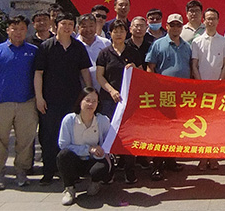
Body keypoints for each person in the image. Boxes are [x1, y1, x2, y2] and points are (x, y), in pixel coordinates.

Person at [34, 12, 93, 185]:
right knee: (49, 136)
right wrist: (39, 97)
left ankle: (70, 172)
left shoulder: (78, 47)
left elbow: (85, 72)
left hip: (73, 100)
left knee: (73, 136)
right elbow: (38, 74)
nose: (67, 27)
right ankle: (48, 171)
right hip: (50, 100)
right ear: (56, 25)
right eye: (63, 23)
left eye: (70, 24)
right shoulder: (46, 46)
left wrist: (89, 95)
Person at [0, 14, 38, 190]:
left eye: (22, 29)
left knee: (26, 141)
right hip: (1, 103)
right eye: (14, 28)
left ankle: (21, 171)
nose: (18, 32)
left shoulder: (33, 51)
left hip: (26, 103)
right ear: (7, 30)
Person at [145, 13, 191, 180]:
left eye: (179, 25)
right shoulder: (158, 44)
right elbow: (150, 67)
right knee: (161, 130)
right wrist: (153, 88)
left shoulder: (187, 46)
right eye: (173, 25)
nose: (176, 28)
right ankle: (157, 165)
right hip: (163, 94)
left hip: (181, 95)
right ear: (167, 26)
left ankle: (171, 160)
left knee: (175, 129)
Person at [95, 19, 139, 184]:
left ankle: (130, 170)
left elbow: (142, 74)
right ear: (110, 33)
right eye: (115, 31)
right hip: (109, 99)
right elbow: (100, 76)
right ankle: (108, 170)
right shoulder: (104, 53)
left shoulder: (132, 52)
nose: (118, 34)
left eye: (122, 31)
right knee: (108, 135)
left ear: (126, 33)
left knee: (128, 134)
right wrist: (112, 91)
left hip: (128, 101)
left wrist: (135, 68)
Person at [57, 87, 115, 206]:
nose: (90, 104)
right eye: (87, 100)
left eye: (94, 101)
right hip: (75, 160)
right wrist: (88, 149)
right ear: (80, 101)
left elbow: (109, 141)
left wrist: (102, 150)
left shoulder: (102, 120)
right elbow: (63, 144)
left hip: (94, 160)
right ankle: (69, 188)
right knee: (63, 156)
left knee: (101, 168)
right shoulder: (69, 120)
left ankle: (95, 183)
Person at [191, 8, 225, 170]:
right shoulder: (196, 41)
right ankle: (202, 157)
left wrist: (221, 83)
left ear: (218, 21)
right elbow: (194, 65)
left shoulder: (224, 41)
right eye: (208, 18)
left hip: (218, 89)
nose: (211, 21)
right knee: (201, 124)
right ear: (204, 20)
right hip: (201, 89)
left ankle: (214, 157)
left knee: (215, 124)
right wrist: (200, 84)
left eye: (213, 18)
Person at [77, 13, 109, 91]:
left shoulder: (106, 43)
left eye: (91, 26)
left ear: (96, 26)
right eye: (84, 26)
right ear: (78, 28)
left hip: (104, 91)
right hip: (81, 92)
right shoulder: (74, 45)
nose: (88, 30)